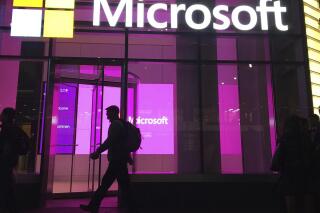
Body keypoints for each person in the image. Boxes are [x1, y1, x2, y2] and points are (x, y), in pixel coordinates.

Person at [80, 105, 135, 213]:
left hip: (117, 161)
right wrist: (128, 157)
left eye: (108, 113)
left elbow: (110, 141)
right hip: (120, 160)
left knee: (106, 185)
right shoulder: (121, 124)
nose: (106, 115)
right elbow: (122, 143)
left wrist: (97, 151)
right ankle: (132, 208)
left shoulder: (115, 125)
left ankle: (93, 206)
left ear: (114, 113)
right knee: (123, 186)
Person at [275, 115, 315, 213]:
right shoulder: (306, 139)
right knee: (307, 204)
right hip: (305, 176)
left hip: (289, 176)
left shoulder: (284, 140)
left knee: (291, 206)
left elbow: (278, 161)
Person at [0, 108, 29, 213]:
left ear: (6, 116)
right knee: (8, 188)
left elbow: (4, 147)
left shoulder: (6, 130)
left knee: (5, 189)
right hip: (10, 162)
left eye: (2, 114)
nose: (0, 115)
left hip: (4, 163)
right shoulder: (16, 129)